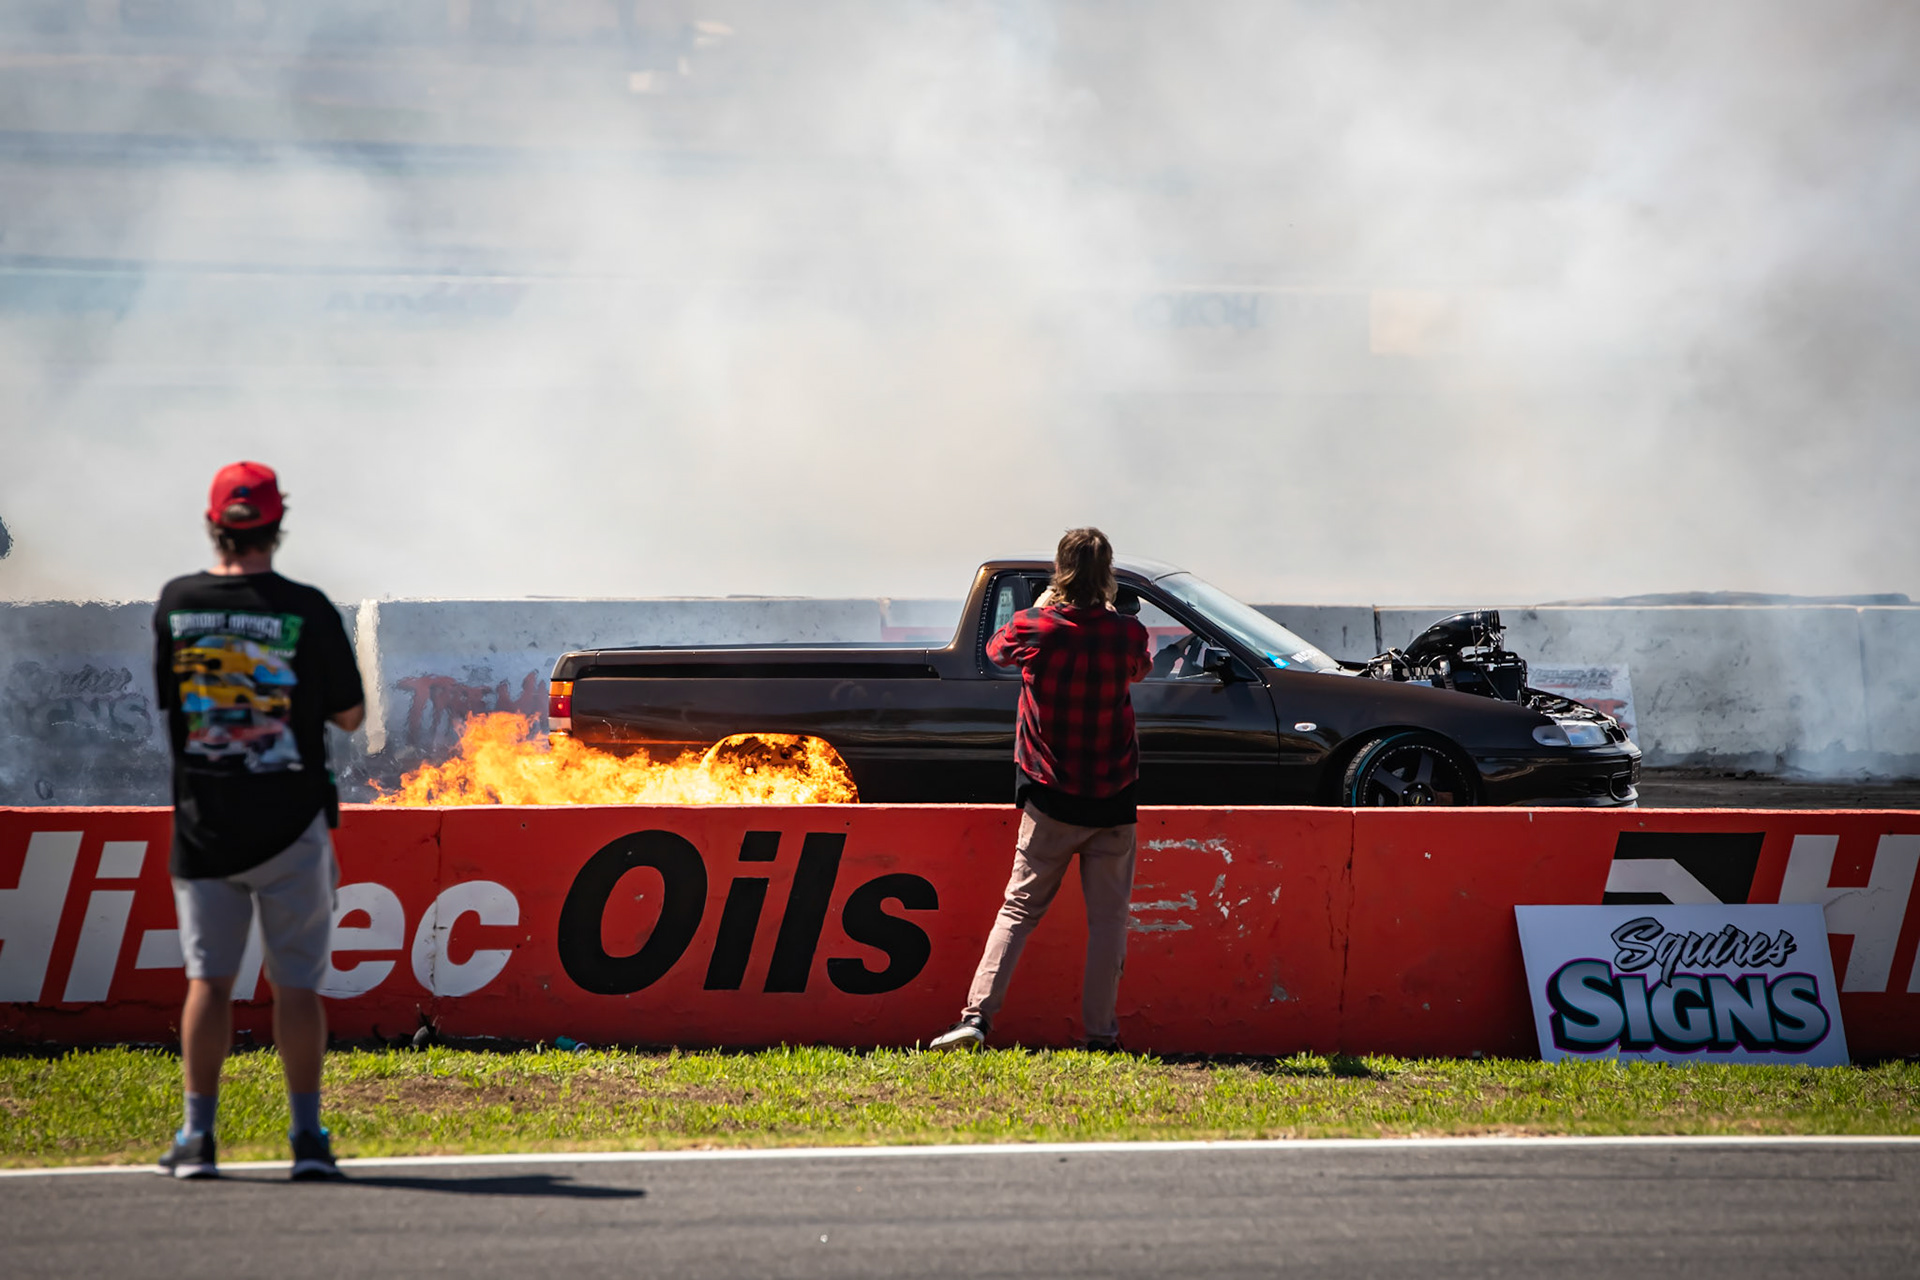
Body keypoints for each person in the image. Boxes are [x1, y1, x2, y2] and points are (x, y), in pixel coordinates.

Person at [153, 462, 365, 1180]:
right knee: (296, 988)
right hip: (290, 822)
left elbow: (173, 702)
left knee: (208, 984)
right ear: (278, 525)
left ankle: (196, 1138)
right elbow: (350, 715)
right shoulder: (307, 608)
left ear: (214, 524)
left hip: (204, 823)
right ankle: (307, 1139)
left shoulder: (177, 603)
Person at [931, 527, 1152, 1052]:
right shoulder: (1127, 633)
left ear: (1060, 570)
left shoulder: (1034, 625)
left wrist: (1045, 603)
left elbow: (996, 651)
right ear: (1108, 574)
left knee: (1018, 911)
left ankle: (976, 1019)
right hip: (1114, 799)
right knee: (1108, 924)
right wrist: (1108, 610)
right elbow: (1140, 669)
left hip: (1049, 795)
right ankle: (1100, 1035)